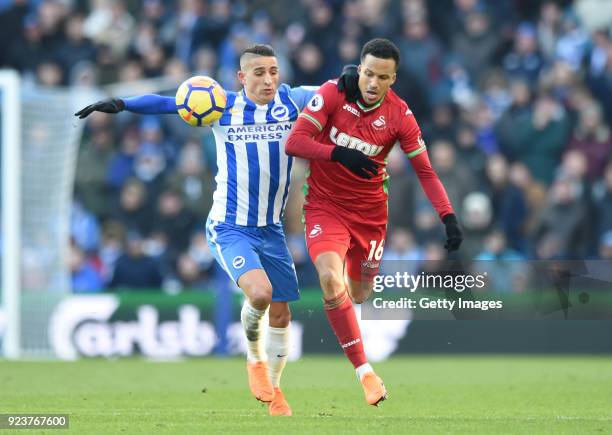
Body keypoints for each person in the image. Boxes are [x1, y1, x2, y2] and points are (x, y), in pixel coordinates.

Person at [75, 44, 354, 416]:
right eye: (259, 73)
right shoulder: (220, 105)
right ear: (241, 78)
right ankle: (254, 361)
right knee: (260, 293)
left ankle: (276, 387)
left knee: (282, 315)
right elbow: (165, 102)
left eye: (273, 71)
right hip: (229, 226)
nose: (268, 79)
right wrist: (121, 104)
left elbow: (330, 90)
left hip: (271, 229)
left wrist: (351, 77)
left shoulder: (293, 101)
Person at [285, 38, 462, 406]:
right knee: (330, 280)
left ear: (392, 79)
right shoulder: (333, 93)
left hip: (370, 218)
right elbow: (295, 143)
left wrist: (448, 216)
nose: (371, 83)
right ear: (359, 69)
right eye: (367, 73)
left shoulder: (400, 116)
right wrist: (338, 153)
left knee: (359, 292)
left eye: (381, 77)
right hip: (324, 206)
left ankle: (344, 312)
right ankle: (364, 372)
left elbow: (426, 172)